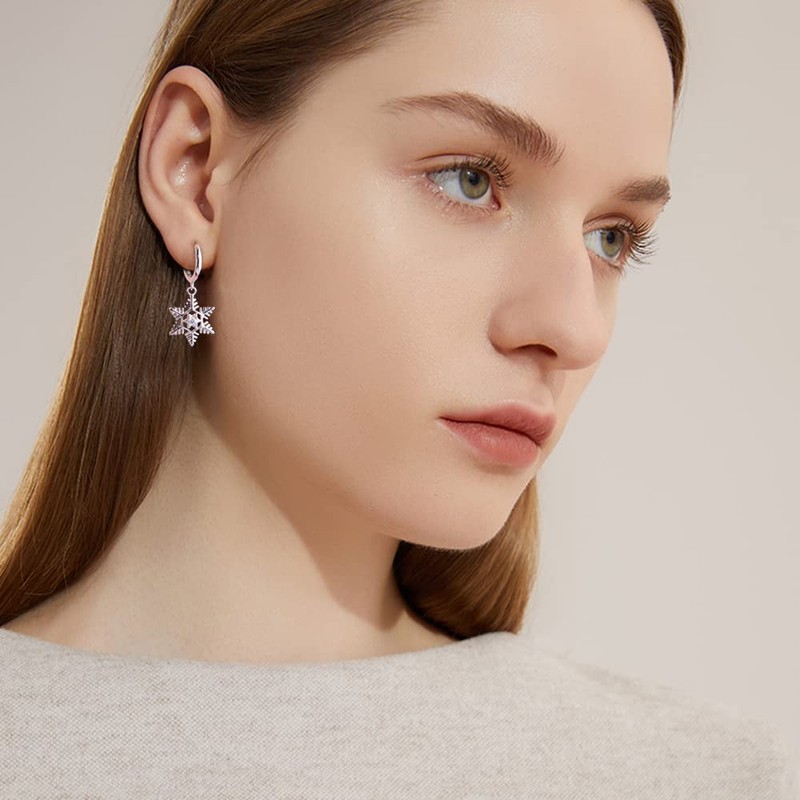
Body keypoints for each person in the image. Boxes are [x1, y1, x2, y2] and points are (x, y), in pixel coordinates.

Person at [0, 0, 797, 796]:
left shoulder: (696, 778)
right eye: (470, 180)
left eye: (611, 237)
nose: (573, 327)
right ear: (196, 171)